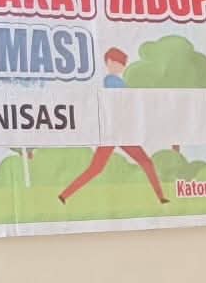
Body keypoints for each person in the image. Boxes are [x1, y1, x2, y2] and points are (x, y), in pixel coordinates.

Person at [57, 48, 169, 206]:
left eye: (123, 64)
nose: (122, 67)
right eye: (119, 63)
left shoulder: (116, 82)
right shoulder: (111, 81)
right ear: (109, 62)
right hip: (115, 132)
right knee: (101, 168)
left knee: (100, 168)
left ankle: (161, 197)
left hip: (119, 132)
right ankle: (64, 195)